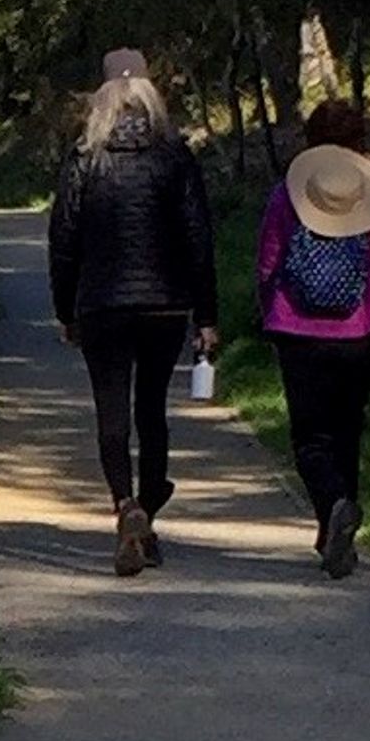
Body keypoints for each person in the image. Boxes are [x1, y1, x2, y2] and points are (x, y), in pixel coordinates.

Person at [47, 51, 215, 576]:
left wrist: (65, 307)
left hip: (102, 304)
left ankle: (126, 506)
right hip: (165, 304)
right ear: (149, 93)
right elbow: (198, 239)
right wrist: (206, 313)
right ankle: (151, 515)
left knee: (111, 412)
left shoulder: (84, 157)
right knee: (153, 410)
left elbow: (64, 240)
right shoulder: (175, 157)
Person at [260, 99, 370, 579]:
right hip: (362, 332)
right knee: (346, 431)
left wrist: (267, 315)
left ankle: (333, 506)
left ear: (311, 140)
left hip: (299, 331)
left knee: (309, 438)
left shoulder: (288, 196)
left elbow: (268, 263)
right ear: (361, 140)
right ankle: (338, 528)